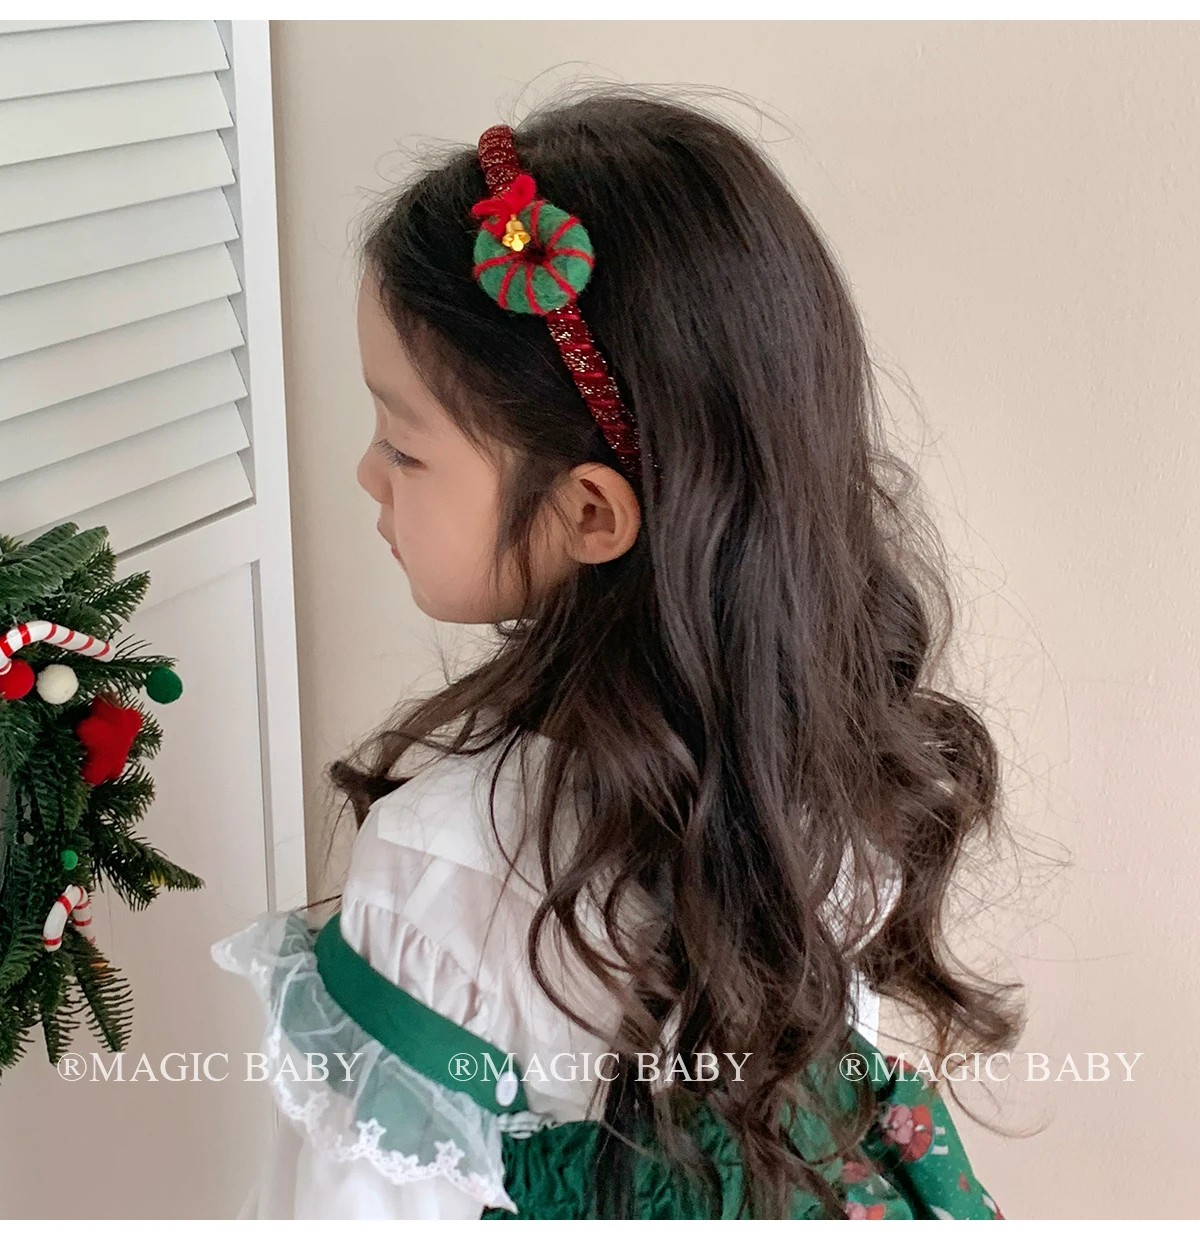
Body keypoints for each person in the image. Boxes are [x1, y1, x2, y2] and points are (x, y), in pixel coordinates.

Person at [212, 88, 1021, 1220]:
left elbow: (362, 1209)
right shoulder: (835, 750)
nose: (366, 474)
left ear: (590, 511)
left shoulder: (448, 870)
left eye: (403, 444)